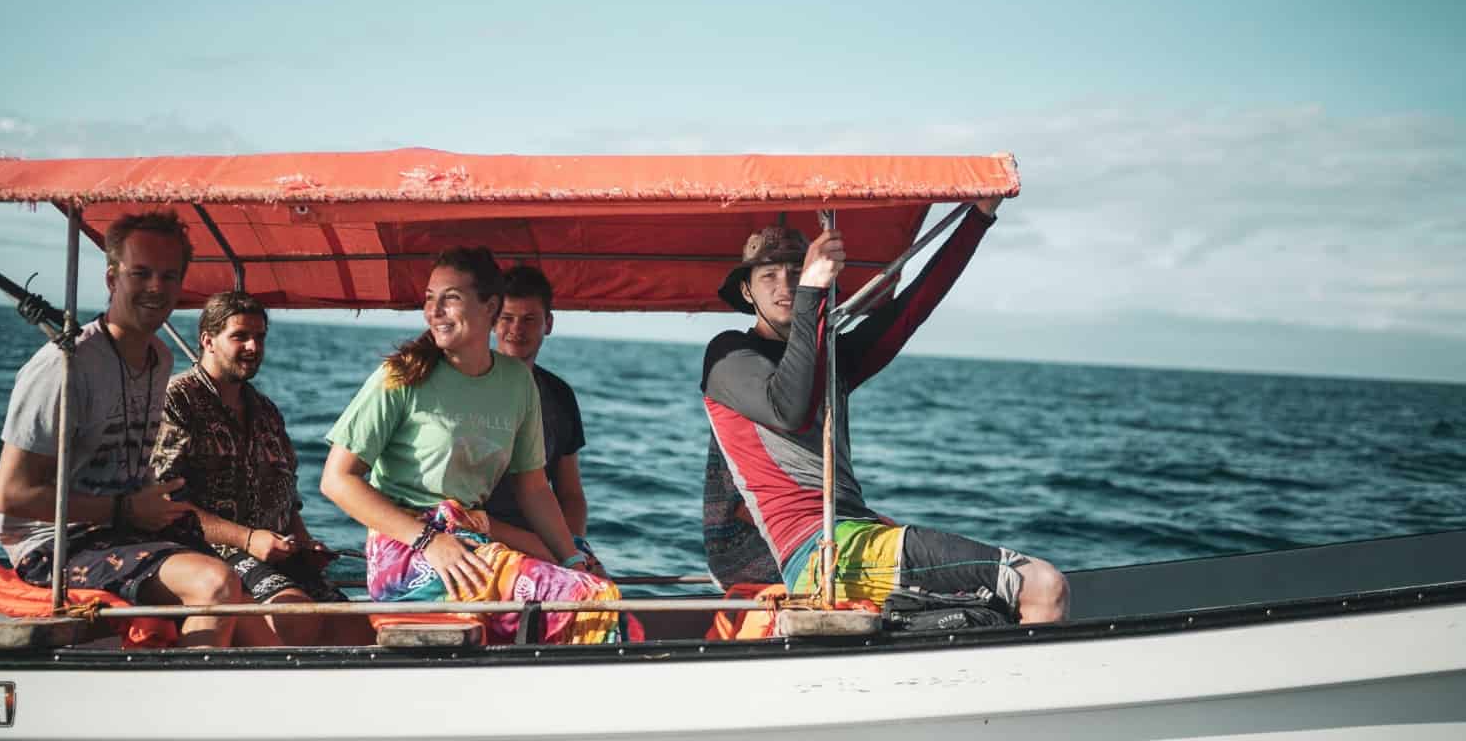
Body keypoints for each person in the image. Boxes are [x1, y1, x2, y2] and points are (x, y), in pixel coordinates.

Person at [701, 202, 1069, 623]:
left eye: (794, 272)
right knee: (1043, 584)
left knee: (999, 606)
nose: (783, 285)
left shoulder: (834, 359)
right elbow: (789, 409)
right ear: (747, 291)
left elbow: (914, 306)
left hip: (857, 536)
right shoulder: (729, 355)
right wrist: (812, 292)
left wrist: (979, 217)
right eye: (768, 276)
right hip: (821, 553)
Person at [0, 210, 273, 648]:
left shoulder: (159, 358)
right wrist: (125, 511)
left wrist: (150, 508)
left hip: (121, 531)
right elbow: (12, 496)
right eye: (140, 273)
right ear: (111, 278)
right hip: (53, 546)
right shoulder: (64, 366)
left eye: (169, 275)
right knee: (214, 583)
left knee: (260, 624)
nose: (156, 287)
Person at [320, 246, 622, 644]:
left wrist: (573, 559)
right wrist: (430, 542)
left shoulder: (517, 382)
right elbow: (337, 481)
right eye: (430, 298)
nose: (435, 310)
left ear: (488, 307)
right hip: (411, 552)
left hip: (473, 543)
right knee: (587, 598)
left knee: (597, 586)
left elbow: (534, 489)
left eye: (451, 298)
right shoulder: (401, 375)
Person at [151, 291, 372, 646]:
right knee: (296, 619)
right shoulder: (177, 400)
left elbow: (288, 498)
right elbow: (163, 503)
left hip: (273, 553)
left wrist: (301, 541)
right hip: (205, 552)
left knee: (360, 629)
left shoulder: (267, 411)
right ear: (208, 340)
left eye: (260, 337)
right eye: (240, 336)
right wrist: (247, 539)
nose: (254, 346)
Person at [486, 265, 598, 569]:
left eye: (529, 319)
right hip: (478, 537)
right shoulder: (470, 385)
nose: (516, 329)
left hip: (543, 540)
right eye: (507, 318)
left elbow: (570, 493)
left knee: (600, 592)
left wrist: (574, 548)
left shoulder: (559, 394)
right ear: (491, 322)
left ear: (548, 324)